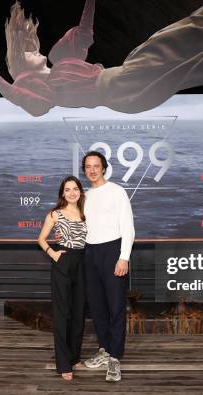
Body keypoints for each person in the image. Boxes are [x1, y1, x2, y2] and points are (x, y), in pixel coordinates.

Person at [0, 0, 203, 117]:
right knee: (180, 59)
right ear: (24, 73)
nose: (39, 52)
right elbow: (17, 95)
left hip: (122, 76)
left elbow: (85, 30)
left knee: (176, 45)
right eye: (31, 53)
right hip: (121, 90)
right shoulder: (46, 94)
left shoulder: (61, 60)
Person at [80, 151, 134, 382]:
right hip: (89, 253)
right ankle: (104, 349)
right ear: (85, 170)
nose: (92, 170)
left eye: (96, 166)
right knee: (97, 307)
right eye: (88, 166)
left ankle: (115, 358)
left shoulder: (117, 191)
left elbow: (128, 227)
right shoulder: (83, 195)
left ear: (104, 168)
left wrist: (123, 257)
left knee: (116, 307)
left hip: (113, 251)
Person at [38, 176, 88, 381]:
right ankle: (63, 364)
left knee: (78, 313)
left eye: (75, 189)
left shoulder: (86, 213)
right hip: (63, 261)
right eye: (68, 189)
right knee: (62, 314)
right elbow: (41, 239)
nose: (72, 193)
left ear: (80, 191)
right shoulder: (55, 214)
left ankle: (74, 356)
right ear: (62, 193)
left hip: (83, 262)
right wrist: (53, 253)